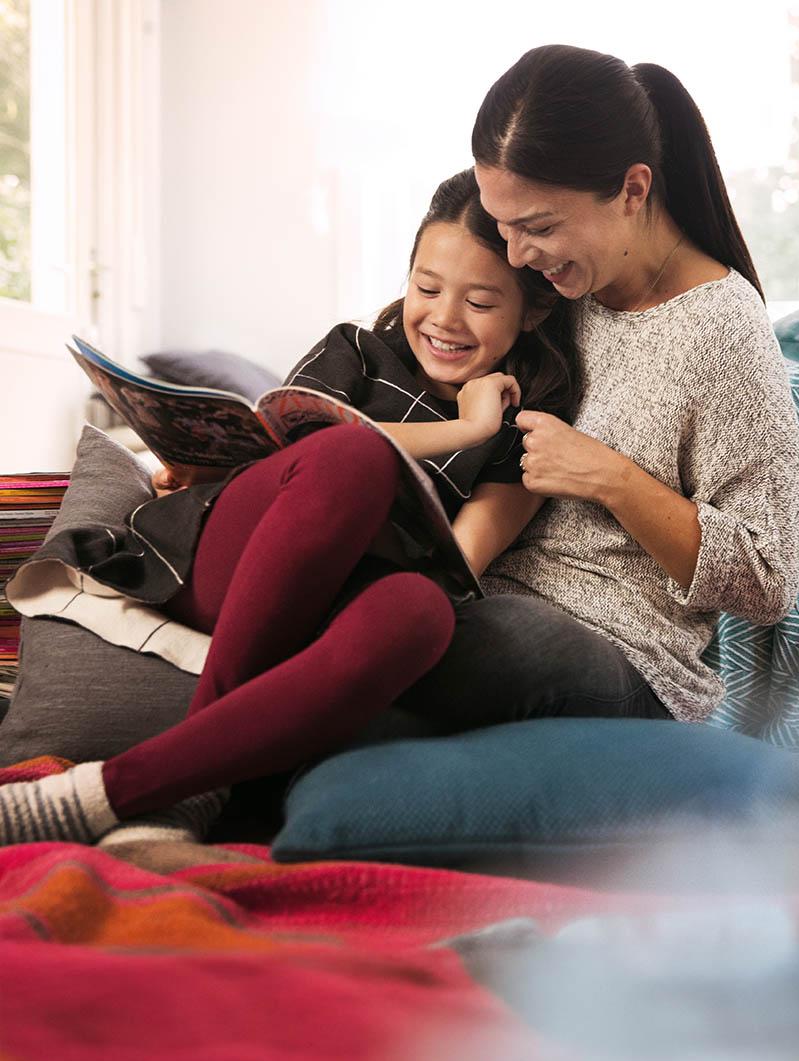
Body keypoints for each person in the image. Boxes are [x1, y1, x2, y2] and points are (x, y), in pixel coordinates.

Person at [0, 168, 578, 845]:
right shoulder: (353, 354)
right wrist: (462, 430)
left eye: (480, 301)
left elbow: (461, 562)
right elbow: (303, 460)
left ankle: (143, 792)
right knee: (354, 460)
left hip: (334, 607)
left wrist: (489, 435)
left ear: (532, 311)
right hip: (230, 564)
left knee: (422, 613)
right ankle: (191, 782)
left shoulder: (523, 433)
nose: (444, 318)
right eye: (426, 287)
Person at [392, 44, 799, 736]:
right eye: (503, 224)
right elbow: (408, 353)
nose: (517, 256)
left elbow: (768, 579)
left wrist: (612, 478)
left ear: (633, 191)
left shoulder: (723, 328)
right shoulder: (553, 285)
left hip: (622, 658)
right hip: (483, 593)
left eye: (539, 227)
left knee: (422, 642)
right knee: (353, 603)